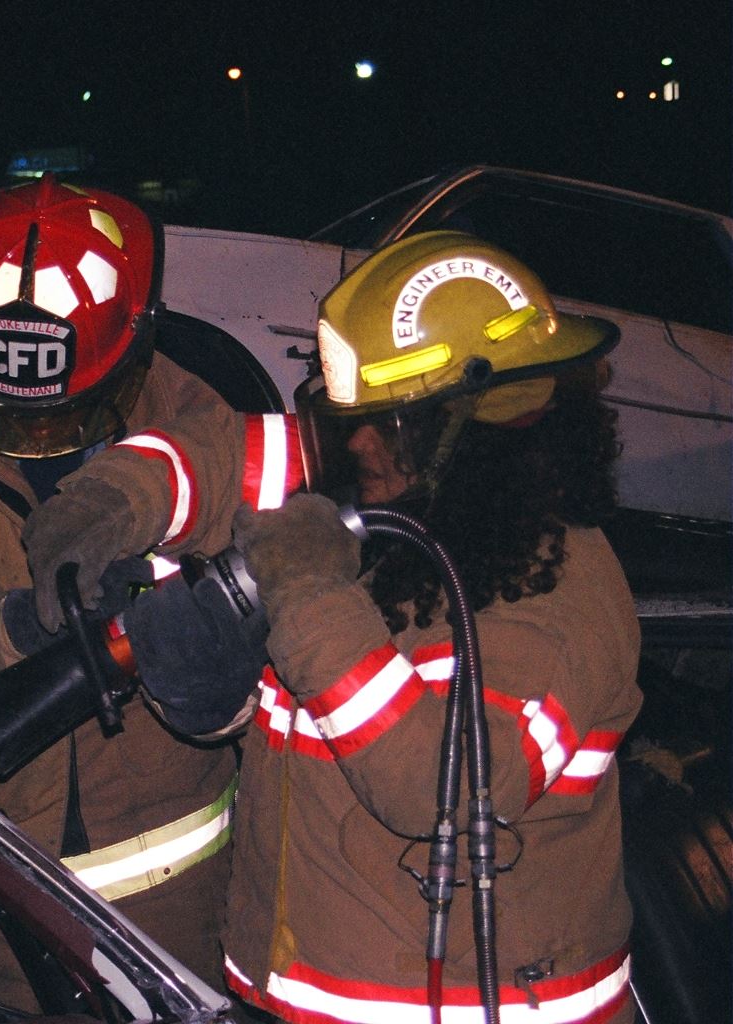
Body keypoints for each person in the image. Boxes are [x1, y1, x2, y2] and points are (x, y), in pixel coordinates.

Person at [0, 176, 303, 1009]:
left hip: (164, 900)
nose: (30, 435)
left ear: (131, 345)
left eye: (60, 414)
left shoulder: (190, 414)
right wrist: (20, 625)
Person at [212, 232, 639, 1023]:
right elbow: (343, 717)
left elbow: (437, 787)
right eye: (352, 421)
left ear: (476, 422)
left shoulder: (556, 590)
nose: (361, 443)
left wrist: (306, 594)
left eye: (390, 423)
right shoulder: (422, 538)